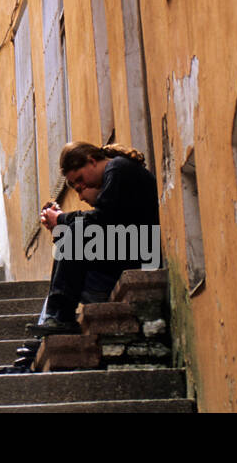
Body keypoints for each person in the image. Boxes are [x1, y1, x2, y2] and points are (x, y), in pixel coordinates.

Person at [36, 141, 160, 329]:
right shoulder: (116, 172)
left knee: (73, 236)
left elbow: (101, 219)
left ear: (91, 161)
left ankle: (59, 316)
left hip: (140, 252)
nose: (81, 186)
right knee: (70, 241)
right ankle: (55, 317)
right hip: (134, 247)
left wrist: (61, 219)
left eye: (79, 179)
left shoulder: (117, 169)